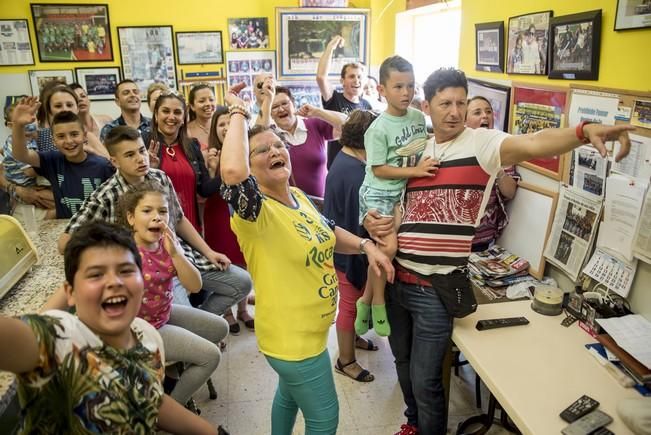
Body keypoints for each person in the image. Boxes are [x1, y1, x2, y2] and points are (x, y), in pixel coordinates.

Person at [363, 67, 633, 435]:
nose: (455, 112)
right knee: (403, 363)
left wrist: (582, 132)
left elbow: (536, 142)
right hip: (397, 279)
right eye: (445, 104)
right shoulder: (416, 150)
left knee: (427, 381)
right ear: (428, 106)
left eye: (461, 102)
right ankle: (412, 424)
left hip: (435, 291)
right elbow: (395, 201)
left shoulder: (482, 144)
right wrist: (376, 222)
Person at [219, 82, 394, 435]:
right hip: (291, 341)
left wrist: (366, 246)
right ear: (251, 169)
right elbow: (233, 174)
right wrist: (239, 111)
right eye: (261, 150)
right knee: (325, 418)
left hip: (310, 334)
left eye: (278, 145)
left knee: (288, 397)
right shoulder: (255, 213)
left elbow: (329, 231)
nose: (274, 150)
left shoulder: (296, 196)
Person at [0, 220, 221, 434]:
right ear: (70, 292)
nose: (114, 282)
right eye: (96, 274)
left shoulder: (148, 338)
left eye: (125, 270)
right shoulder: (61, 339)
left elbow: (146, 399)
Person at [58, 126, 251, 329]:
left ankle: (200, 322)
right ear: (115, 161)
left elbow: (178, 219)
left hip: (180, 256)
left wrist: (209, 252)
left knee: (242, 283)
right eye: (130, 154)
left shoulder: (159, 177)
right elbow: (64, 244)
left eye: (141, 151)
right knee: (180, 323)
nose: (141, 159)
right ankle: (193, 329)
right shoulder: (105, 196)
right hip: (152, 274)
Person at [118, 180, 228, 406]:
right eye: (147, 211)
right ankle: (171, 410)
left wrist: (177, 254)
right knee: (211, 356)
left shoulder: (167, 244)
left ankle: (173, 376)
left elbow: (195, 286)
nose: (157, 217)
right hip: (141, 329)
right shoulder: (125, 252)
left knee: (221, 328)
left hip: (163, 314)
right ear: (131, 218)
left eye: (163, 211)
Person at [354, 56, 432, 338]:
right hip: (379, 192)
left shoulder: (416, 117)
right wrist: (417, 171)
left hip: (401, 192)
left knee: (386, 250)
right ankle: (377, 302)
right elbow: (380, 169)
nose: (406, 93)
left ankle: (365, 299)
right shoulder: (378, 128)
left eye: (410, 86)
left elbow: (422, 147)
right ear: (382, 90)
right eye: (398, 86)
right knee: (387, 249)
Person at [323, 109, 379, 383]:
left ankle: (353, 338)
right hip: (348, 252)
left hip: (344, 246)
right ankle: (345, 361)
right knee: (349, 305)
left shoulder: (343, 157)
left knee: (353, 303)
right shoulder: (355, 172)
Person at [11, 97, 114, 219]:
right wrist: (18, 125)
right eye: (61, 136)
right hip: (65, 226)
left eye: (74, 134)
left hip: (98, 228)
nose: (69, 141)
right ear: (53, 140)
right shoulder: (52, 161)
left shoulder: (102, 165)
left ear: (84, 136)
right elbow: (21, 154)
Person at [204, 106, 254, 334]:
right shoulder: (208, 153)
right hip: (218, 213)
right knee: (224, 261)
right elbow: (204, 189)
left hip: (242, 214)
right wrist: (213, 170)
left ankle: (243, 310)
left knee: (242, 259)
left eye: (229, 123)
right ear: (215, 128)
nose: (226, 128)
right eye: (221, 124)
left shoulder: (246, 148)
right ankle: (226, 313)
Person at [147, 90, 220, 232]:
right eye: (166, 111)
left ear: (183, 118)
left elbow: (204, 189)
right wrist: (148, 171)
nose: (171, 117)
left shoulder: (192, 146)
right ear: (156, 115)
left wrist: (225, 174)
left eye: (177, 112)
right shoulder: (144, 143)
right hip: (158, 229)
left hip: (192, 228)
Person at [264, 86, 346, 198]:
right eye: (274, 107)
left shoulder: (314, 124)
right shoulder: (270, 136)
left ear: (294, 105)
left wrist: (318, 112)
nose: (281, 109)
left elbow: (348, 126)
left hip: (322, 204)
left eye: (284, 103)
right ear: (270, 113)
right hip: (290, 207)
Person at [465, 96, 519, 251]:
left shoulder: (502, 150)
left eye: (488, 111)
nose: (485, 116)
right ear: (464, 120)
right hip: (456, 240)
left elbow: (510, 192)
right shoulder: (458, 148)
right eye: (477, 112)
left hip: (485, 242)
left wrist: (497, 167)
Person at [316, 35, 371, 168]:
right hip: (338, 165)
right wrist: (330, 47)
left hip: (361, 165)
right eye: (351, 76)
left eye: (359, 77)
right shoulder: (334, 99)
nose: (356, 80)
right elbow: (321, 77)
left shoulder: (367, 106)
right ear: (342, 81)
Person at [2, 101, 56, 223]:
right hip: (24, 189)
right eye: (23, 121)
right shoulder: (15, 144)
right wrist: (53, 167)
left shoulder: (33, 139)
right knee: (51, 212)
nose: (30, 123)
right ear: (11, 126)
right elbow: (29, 172)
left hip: (35, 185)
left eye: (33, 119)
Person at [100, 79, 151, 143]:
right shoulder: (110, 129)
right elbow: (105, 153)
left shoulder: (153, 124)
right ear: (117, 101)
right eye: (126, 93)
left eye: (135, 92)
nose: (132, 95)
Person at [186, 84, 217, 151]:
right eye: (202, 101)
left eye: (211, 100)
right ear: (192, 106)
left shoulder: (223, 126)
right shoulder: (185, 131)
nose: (208, 104)